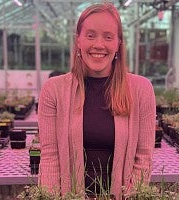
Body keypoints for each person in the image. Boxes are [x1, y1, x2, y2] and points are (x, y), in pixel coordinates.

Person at [38, 3, 156, 199]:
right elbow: (50, 157)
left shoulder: (141, 90)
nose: (98, 45)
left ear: (118, 43)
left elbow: (143, 158)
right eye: (90, 35)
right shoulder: (54, 90)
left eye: (108, 37)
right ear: (78, 41)